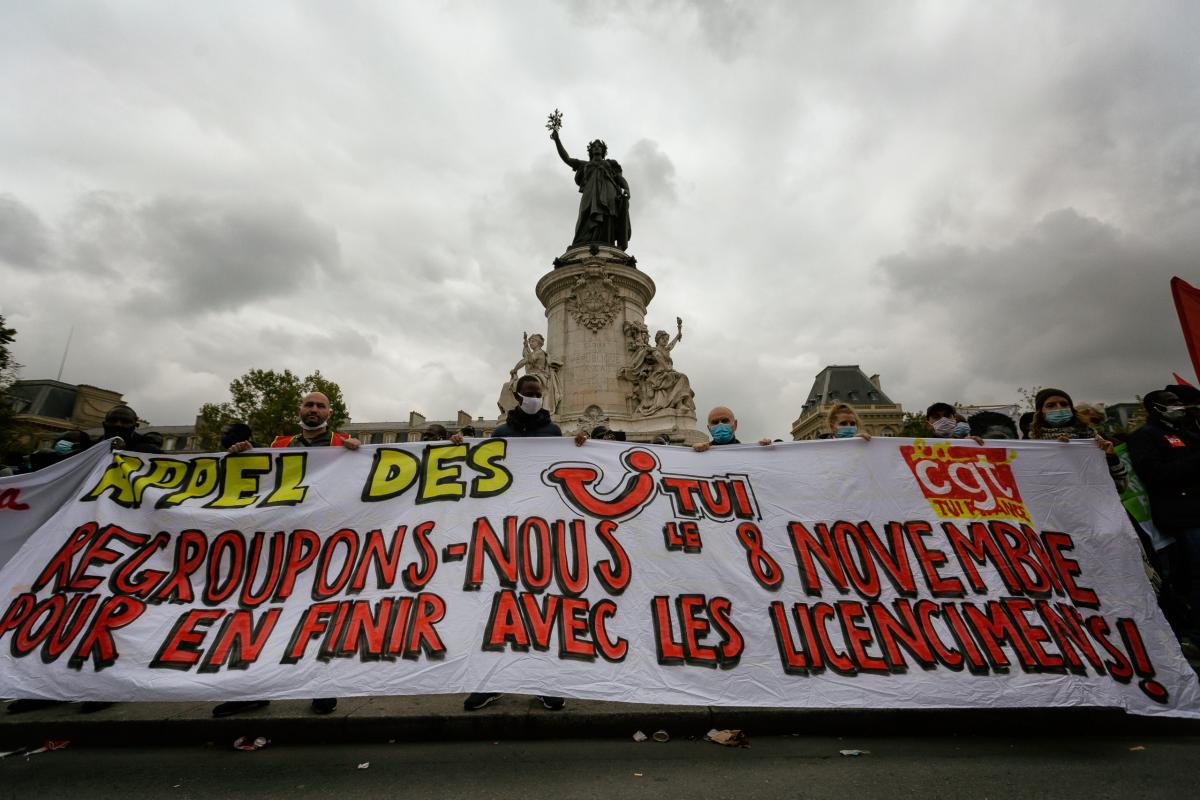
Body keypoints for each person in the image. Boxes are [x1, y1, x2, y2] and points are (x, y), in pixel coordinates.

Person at [216, 392, 359, 718]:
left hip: (328, 546)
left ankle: (323, 686)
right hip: (282, 547)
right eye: (309, 405)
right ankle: (252, 688)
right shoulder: (278, 445)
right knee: (264, 617)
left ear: (329, 412)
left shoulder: (344, 445)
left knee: (322, 616)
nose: (313, 410)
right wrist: (242, 454)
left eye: (320, 406)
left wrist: (361, 454)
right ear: (300, 410)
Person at [466, 375, 584, 712]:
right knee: (496, 606)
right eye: (528, 393)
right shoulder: (500, 434)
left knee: (544, 604)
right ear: (517, 396)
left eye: (538, 393)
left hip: (542, 525)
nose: (534, 398)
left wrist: (583, 448)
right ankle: (491, 682)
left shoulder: (553, 433)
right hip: (503, 525)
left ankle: (546, 681)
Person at [1128, 389, 1200, 650]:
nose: (1178, 406)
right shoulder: (1145, 437)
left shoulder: (1187, 433)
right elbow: (1155, 474)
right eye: (1171, 403)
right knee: (1194, 576)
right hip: (1181, 516)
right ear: (1154, 407)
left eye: (1179, 402)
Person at [1027, 388, 1125, 488]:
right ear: (1041, 413)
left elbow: (1121, 486)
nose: (1059, 408)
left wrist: (1111, 458)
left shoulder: (1094, 440)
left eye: (1064, 404)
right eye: (1050, 405)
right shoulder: (1031, 449)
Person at [551, 129, 631, 250]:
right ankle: (582, 241)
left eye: (599, 146)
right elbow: (567, 159)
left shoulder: (610, 164)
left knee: (607, 215)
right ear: (590, 150)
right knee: (585, 214)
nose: (597, 148)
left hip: (609, 192)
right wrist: (557, 140)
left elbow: (620, 178)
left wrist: (627, 189)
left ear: (603, 151)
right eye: (594, 146)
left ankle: (606, 242)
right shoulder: (584, 164)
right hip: (589, 193)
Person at [693, 406, 771, 451]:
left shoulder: (747, 452)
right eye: (715, 422)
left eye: (725, 421)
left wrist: (767, 449)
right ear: (709, 429)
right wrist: (693, 453)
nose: (720, 424)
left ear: (735, 424)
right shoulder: (703, 452)